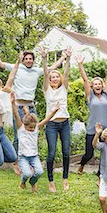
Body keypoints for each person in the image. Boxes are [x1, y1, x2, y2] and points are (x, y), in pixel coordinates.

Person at [0, 35, 66, 164]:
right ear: (23, 60)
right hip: (18, 106)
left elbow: (51, 68)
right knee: (19, 136)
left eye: (30, 59)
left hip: (31, 107)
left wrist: (63, 57)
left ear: (33, 60)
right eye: (26, 58)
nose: (28, 60)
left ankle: (29, 159)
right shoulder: (16, 68)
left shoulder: (36, 71)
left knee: (33, 134)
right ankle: (16, 162)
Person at [11, 92, 60, 193]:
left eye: (34, 127)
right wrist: (12, 103)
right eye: (30, 127)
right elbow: (16, 114)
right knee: (27, 174)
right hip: (23, 156)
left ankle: (33, 182)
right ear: (25, 124)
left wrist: (54, 111)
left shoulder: (36, 128)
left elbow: (47, 119)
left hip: (34, 156)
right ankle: (23, 181)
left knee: (39, 171)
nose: (33, 129)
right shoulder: (21, 128)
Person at [74, 54, 107, 178]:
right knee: (89, 154)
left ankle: (99, 175)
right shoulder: (90, 96)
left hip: (105, 129)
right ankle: (82, 165)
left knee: (105, 153)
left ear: (102, 86)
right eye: (95, 84)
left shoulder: (106, 96)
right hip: (92, 129)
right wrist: (80, 64)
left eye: (99, 84)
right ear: (92, 86)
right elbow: (85, 80)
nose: (97, 85)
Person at [39, 46, 72, 192]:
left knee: (66, 152)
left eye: (56, 76)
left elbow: (66, 71)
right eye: (52, 77)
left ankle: (65, 179)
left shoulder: (64, 88)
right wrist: (44, 58)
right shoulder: (47, 90)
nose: (54, 78)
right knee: (51, 152)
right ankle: (51, 181)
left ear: (60, 78)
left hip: (64, 123)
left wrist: (68, 58)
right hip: (51, 124)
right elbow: (45, 74)